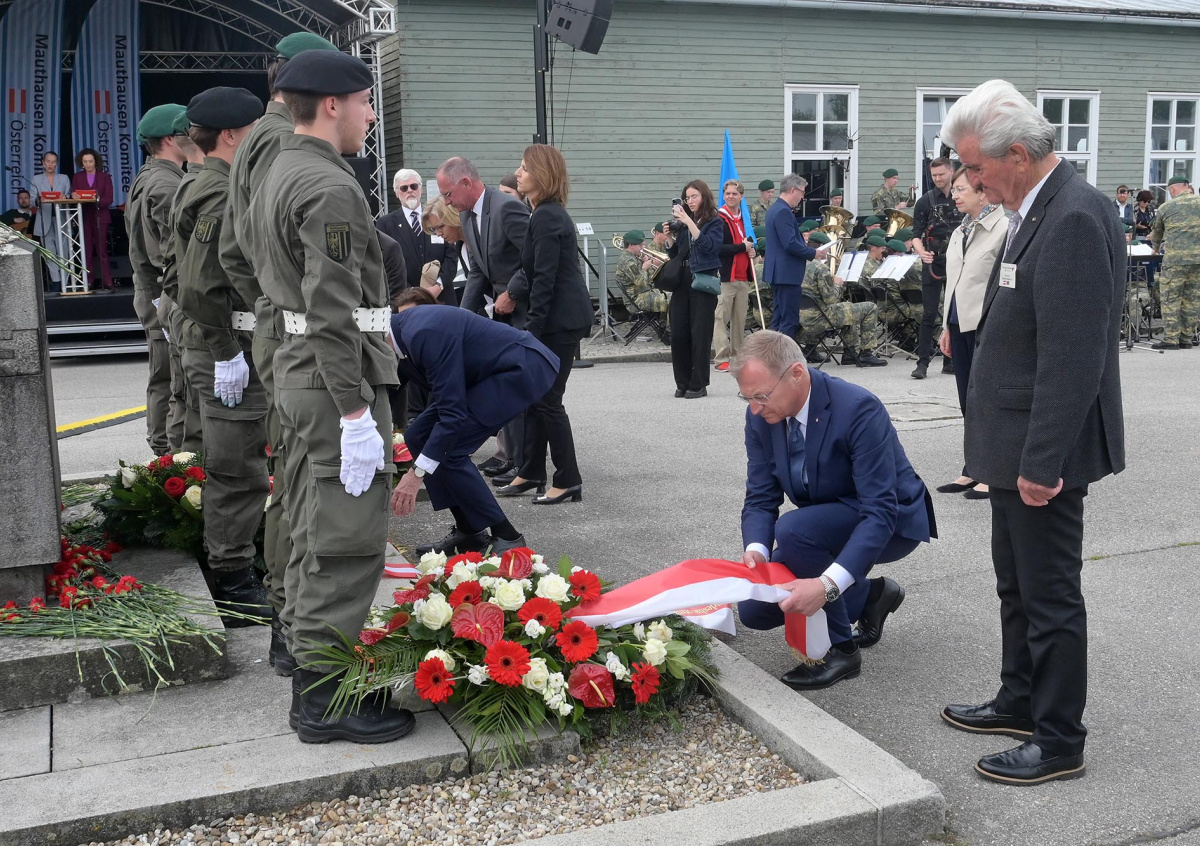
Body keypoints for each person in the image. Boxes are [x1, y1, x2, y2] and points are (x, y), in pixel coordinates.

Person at [939, 79, 1125, 785]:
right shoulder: (1034, 206)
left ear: (1017, 153)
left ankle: (1058, 739)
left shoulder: (1072, 215)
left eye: (976, 168)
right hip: (1011, 443)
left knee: (1049, 596)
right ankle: (1019, 699)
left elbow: (1074, 357)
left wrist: (1043, 461)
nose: (971, 182)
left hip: (1041, 450)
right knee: (1016, 585)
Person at [249, 49, 415, 744]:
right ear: (332, 105)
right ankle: (324, 698)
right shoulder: (327, 185)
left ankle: (307, 661)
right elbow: (331, 307)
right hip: (332, 379)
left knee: (310, 523)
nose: (372, 115)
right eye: (366, 102)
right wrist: (353, 412)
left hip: (301, 369)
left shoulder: (276, 169)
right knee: (345, 539)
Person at [216, 32, 341, 677]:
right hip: (297, 331)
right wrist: (280, 305)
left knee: (294, 477)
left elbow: (236, 248)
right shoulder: (281, 143)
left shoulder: (259, 140)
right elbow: (262, 248)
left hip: (282, 326)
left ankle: (289, 621)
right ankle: (293, 626)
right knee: (303, 485)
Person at [732, 330, 935, 689]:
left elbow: (880, 511)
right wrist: (757, 552)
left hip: (891, 521)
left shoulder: (858, 408)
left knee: (794, 531)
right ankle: (872, 595)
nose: (755, 408)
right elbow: (761, 496)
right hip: (821, 523)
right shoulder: (761, 417)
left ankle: (842, 651)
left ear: (796, 374)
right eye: (747, 398)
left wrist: (825, 586)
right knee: (756, 610)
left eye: (761, 396)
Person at [173, 87, 271, 626]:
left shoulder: (201, 182)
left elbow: (175, 273)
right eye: (254, 128)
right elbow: (198, 283)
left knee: (233, 460)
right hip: (225, 343)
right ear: (232, 135)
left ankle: (233, 563)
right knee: (238, 469)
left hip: (214, 340)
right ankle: (233, 582)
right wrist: (226, 351)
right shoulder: (219, 191)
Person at [390, 288, 556, 550]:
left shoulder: (422, 332)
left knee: (451, 450)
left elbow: (452, 416)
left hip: (519, 367)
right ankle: (469, 531)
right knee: (418, 436)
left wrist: (416, 473)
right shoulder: (398, 338)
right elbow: (389, 395)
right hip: (486, 375)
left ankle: (508, 536)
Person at [498, 144, 593, 504]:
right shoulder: (543, 213)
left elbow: (545, 279)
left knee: (549, 400)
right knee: (536, 398)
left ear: (541, 174)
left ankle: (568, 479)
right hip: (556, 320)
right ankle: (531, 471)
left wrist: (532, 331)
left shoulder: (548, 216)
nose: (518, 173)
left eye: (524, 168)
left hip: (559, 322)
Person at [437, 155, 531, 491]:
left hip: (526, 310)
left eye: (448, 194)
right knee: (506, 386)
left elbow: (535, 258)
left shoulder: (507, 208)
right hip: (501, 313)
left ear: (466, 183)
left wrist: (513, 293)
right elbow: (478, 272)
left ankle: (524, 463)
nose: (447, 202)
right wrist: (460, 319)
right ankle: (515, 458)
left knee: (522, 387)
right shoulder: (467, 214)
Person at [936, 166, 1007, 501]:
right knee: (967, 400)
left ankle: (994, 472)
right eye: (954, 189)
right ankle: (973, 467)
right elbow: (953, 282)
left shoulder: (1003, 227)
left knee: (988, 401)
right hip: (958, 323)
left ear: (982, 192)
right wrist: (946, 326)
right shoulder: (960, 230)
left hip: (985, 325)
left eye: (961, 189)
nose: (954, 195)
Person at [127, 104, 190, 457]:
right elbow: (168, 255)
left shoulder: (150, 176)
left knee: (164, 372)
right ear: (169, 139)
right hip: (163, 293)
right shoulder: (166, 184)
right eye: (185, 131)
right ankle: (167, 452)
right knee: (171, 375)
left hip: (152, 292)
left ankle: (163, 448)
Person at [664, 179, 723, 399]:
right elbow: (676, 254)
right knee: (679, 332)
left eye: (694, 196)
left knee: (700, 334)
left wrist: (689, 222)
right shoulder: (683, 224)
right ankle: (682, 381)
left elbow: (709, 246)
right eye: (687, 198)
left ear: (704, 196)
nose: (690, 201)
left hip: (703, 279)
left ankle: (698, 383)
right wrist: (669, 238)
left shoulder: (715, 221)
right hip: (682, 279)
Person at [911, 156, 964, 379]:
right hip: (933, 261)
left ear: (951, 171)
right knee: (929, 314)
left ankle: (951, 361)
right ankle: (922, 363)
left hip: (959, 262)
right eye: (934, 175)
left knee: (955, 313)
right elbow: (915, 234)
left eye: (941, 174)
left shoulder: (963, 196)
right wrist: (921, 252)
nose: (938, 178)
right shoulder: (925, 201)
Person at [798, 231, 885, 367]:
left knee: (848, 308)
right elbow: (831, 299)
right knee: (870, 308)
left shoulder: (799, 263)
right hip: (820, 317)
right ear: (821, 247)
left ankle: (849, 353)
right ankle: (866, 353)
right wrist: (838, 285)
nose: (828, 252)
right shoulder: (820, 268)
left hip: (802, 317)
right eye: (828, 248)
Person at [376, 167, 458, 305]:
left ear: (421, 189)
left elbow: (451, 257)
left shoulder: (437, 217)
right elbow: (385, 264)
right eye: (404, 188)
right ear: (396, 193)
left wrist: (438, 286)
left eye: (414, 186)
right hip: (406, 300)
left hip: (442, 297)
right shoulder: (385, 224)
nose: (409, 190)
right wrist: (412, 292)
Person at [763, 174, 830, 341]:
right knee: (789, 321)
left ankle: (773, 355)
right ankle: (784, 356)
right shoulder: (783, 211)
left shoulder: (775, 208)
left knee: (778, 320)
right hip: (787, 274)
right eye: (802, 192)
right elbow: (790, 243)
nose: (802, 197)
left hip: (779, 273)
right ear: (793, 190)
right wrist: (814, 253)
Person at [1150, 175, 1200, 349]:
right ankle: (1186, 338)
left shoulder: (1166, 207)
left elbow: (1157, 233)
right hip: (1198, 260)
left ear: (1172, 189)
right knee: (1192, 299)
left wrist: (1155, 248)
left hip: (1176, 260)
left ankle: (1171, 338)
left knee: (1171, 297)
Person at [713, 179, 756, 372]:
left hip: (743, 276)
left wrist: (752, 250)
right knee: (721, 319)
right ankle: (721, 358)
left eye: (734, 194)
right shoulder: (718, 218)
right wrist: (742, 247)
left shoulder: (745, 218)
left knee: (740, 320)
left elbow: (748, 243)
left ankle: (737, 356)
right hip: (725, 276)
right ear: (724, 195)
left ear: (741, 196)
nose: (730, 196)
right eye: (728, 193)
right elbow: (717, 248)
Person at [70, 149, 115, 291]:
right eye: (85, 162)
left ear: (96, 161)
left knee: (102, 251)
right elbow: (73, 194)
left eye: (90, 161)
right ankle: (88, 281)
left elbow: (109, 198)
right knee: (86, 251)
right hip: (84, 217)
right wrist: (74, 196)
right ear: (81, 163)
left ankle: (107, 281)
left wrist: (97, 200)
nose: (88, 164)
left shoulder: (105, 177)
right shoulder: (77, 177)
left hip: (100, 216)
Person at [30, 151, 73, 290]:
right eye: (48, 161)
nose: (50, 164)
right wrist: (38, 200)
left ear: (57, 164)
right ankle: (56, 281)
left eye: (53, 162)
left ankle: (66, 281)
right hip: (45, 219)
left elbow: (68, 196)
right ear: (43, 163)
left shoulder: (64, 178)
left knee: (64, 251)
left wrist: (65, 198)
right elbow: (32, 200)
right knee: (49, 253)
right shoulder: (36, 179)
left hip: (62, 218)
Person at [614, 229, 668, 314]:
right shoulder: (628, 261)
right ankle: (669, 323)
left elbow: (649, 279)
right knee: (672, 301)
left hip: (645, 293)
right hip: (637, 299)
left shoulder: (634, 257)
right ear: (631, 245)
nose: (643, 247)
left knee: (675, 296)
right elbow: (642, 284)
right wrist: (644, 268)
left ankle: (664, 321)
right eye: (640, 245)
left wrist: (647, 265)